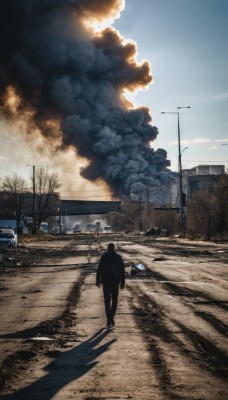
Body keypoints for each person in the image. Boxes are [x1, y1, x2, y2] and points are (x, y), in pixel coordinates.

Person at [96, 243, 125, 327]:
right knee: (114, 300)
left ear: (108, 248)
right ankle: (111, 317)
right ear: (114, 248)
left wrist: (97, 280)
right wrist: (122, 282)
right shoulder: (118, 257)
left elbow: (99, 269)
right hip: (115, 282)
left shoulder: (104, 257)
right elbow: (122, 271)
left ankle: (109, 317)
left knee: (107, 300)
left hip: (106, 281)